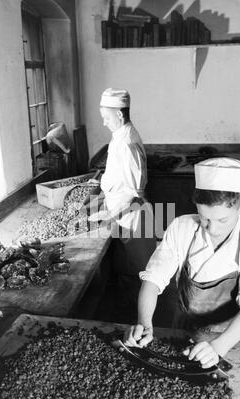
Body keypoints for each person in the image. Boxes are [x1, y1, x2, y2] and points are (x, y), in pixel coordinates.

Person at [124, 157, 240, 368]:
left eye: (222, 220)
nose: (212, 229)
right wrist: (144, 321)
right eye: (204, 218)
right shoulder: (181, 227)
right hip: (184, 327)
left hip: (230, 335)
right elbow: (153, 280)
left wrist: (219, 347)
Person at [89, 88, 156, 321]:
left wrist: (107, 215)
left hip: (131, 216)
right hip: (122, 215)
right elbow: (120, 177)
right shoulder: (120, 135)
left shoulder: (127, 141)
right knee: (126, 267)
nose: (104, 122)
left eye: (106, 117)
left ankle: (137, 320)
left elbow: (133, 191)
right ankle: (131, 314)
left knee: (135, 270)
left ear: (119, 114)